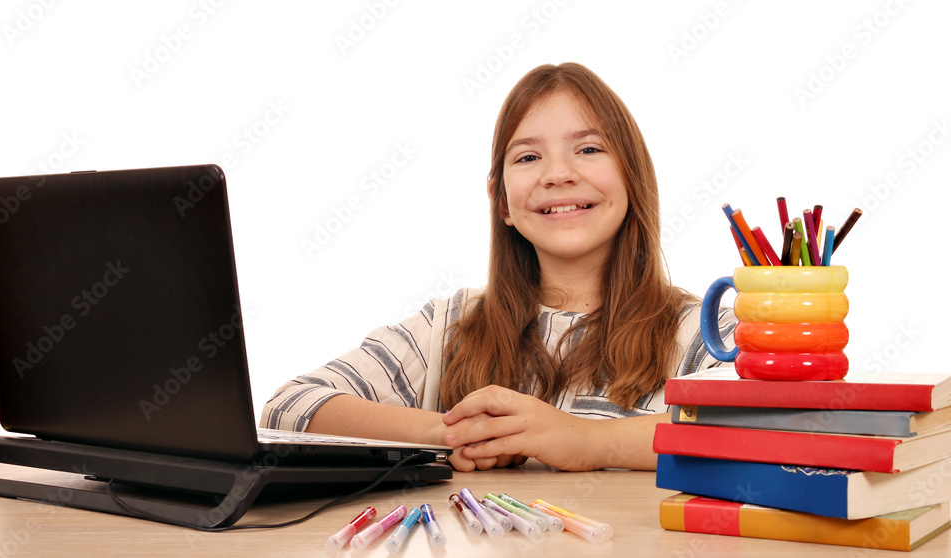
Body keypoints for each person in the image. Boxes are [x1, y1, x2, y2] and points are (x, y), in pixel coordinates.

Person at [261, 62, 732, 472]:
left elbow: (780, 424)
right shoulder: (448, 327)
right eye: (528, 157)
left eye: (588, 149)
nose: (557, 174)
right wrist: (450, 434)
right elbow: (287, 408)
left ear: (633, 175)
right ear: (501, 200)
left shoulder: (700, 331)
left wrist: (586, 441)